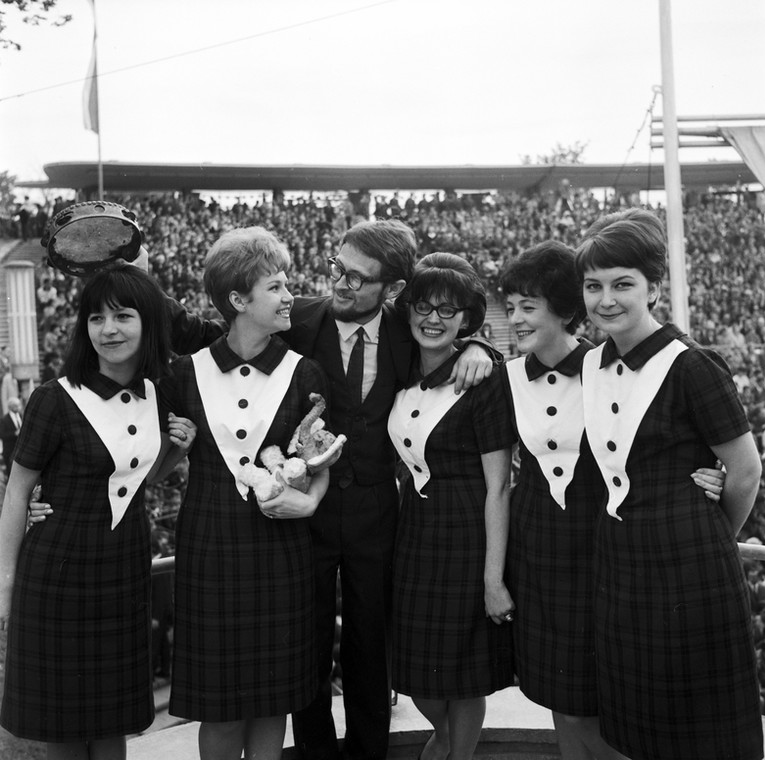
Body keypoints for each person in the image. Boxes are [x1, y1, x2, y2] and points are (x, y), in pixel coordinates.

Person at [500, 241, 724, 760]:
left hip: (609, 551)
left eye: (527, 306)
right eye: (509, 307)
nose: (514, 318)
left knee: (612, 703)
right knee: (563, 697)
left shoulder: (622, 365)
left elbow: (674, 435)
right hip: (542, 554)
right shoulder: (511, 373)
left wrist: (709, 488)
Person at [283, 221, 495, 760]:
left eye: (359, 277)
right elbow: (213, 327)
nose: (342, 284)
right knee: (305, 643)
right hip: (305, 508)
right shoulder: (300, 318)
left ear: (393, 290)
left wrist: (478, 345)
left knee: (370, 644)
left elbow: (450, 319)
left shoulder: (407, 327)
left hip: (378, 512)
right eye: (338, 268)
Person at [577, 208, 763, 760]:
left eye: (622, 285)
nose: (605, 299)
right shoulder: (592, 363)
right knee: (641, 727)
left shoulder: (694, 366)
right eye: (593, 286)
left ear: (653, 288)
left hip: (689, 566)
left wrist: (709, 531)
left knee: (700, 733)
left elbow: (746, 469)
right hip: (623, 563)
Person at [0, 265, 196, 760]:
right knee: (64, 729)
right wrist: (6, 581)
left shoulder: (160, 392)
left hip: (124, 569)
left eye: (123, 316)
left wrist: (179, 450)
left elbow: (145, 479)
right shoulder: (53, 397)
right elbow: (19, 489)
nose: (108, 329)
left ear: (149, 323)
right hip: (58, 572)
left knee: (114, 724)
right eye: (96, 318)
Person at [159, 226, 331, 760]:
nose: (289, 297)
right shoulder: (184, 374)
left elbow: (323, 456)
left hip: (282, 551)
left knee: (271, 702)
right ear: (238, 300)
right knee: (221, 710)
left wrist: (314, 494)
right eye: (276, 287)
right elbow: (156, 468)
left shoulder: (305, 373)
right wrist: (175, 449)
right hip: (209, 547)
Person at [386, 252, 515, 760]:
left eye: (448, 310)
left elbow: (498, 486)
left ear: (467, 319)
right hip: (413, 534)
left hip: (469, 534)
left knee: (463, 675)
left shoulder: (483, 381)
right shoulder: (399, 369)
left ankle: (453, 755)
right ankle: (446, 744)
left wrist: (492, 578)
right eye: (423, 306)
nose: (433, 319)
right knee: (417, 674)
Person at [0, 396, 23, 475]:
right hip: (10, 451)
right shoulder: (4, 419)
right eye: (16, 406)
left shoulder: (20, 416)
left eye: (18, 405)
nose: (18, 408)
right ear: (10, 407)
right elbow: (2, 435)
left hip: (20, 450)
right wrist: (14, 433)